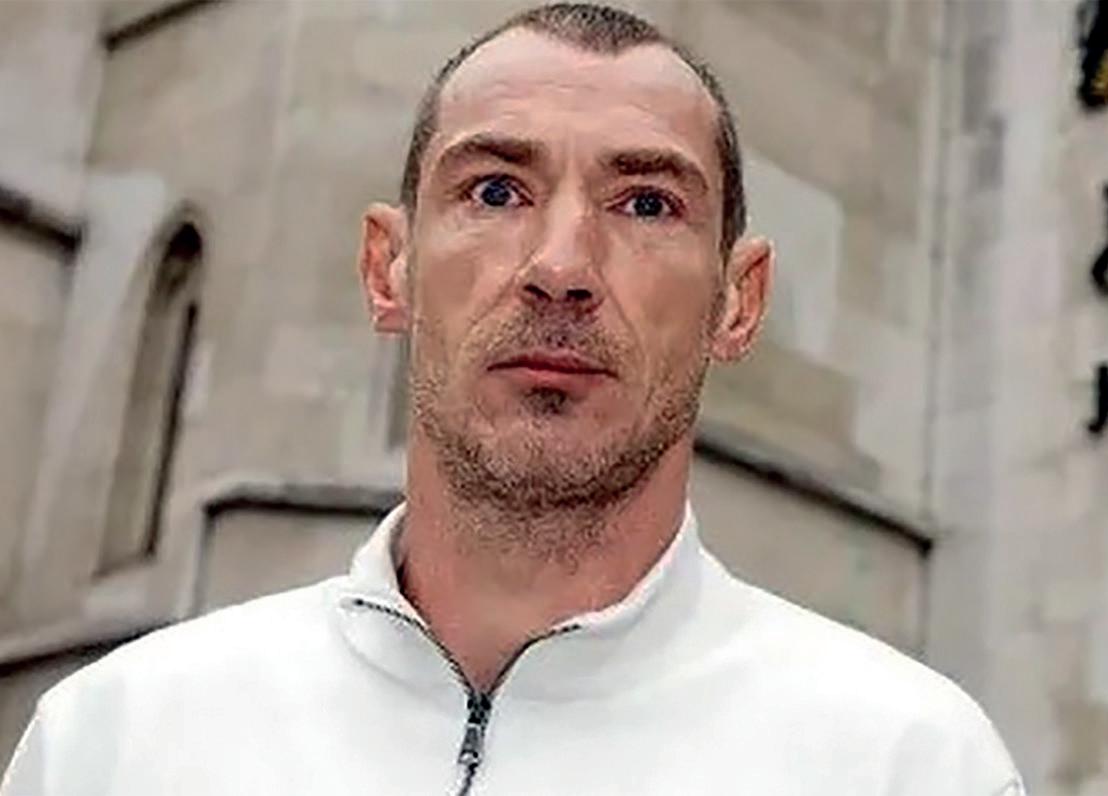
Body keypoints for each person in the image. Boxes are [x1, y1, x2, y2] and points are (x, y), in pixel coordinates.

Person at [1, 4, 1025, 794]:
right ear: (388, 267)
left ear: (737, 300)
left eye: (646, 204)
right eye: (494, 191)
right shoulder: (114, 741)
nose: (560, 267)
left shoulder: (906, 763)